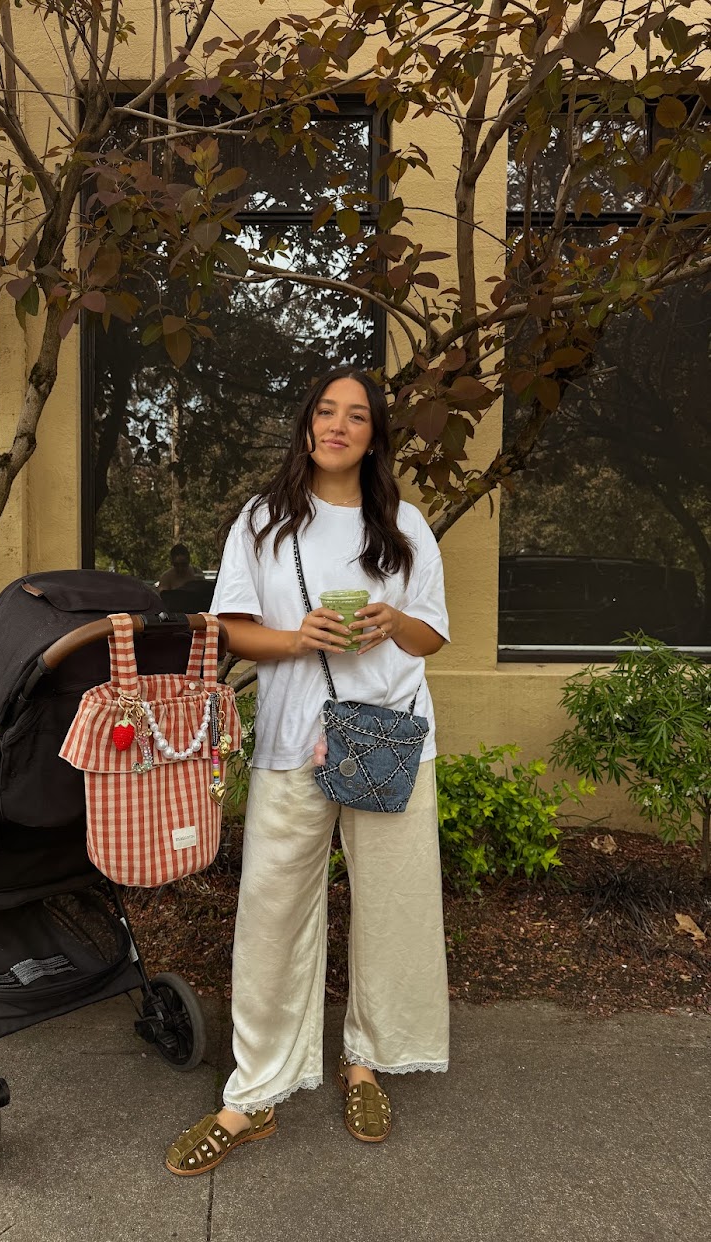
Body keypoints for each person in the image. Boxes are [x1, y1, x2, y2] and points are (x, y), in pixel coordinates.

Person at [165, 365, 450, 1176]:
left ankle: (366, 1062)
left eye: (357, 415)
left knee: (391, 911)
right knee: (271, 914)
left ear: (374, 435)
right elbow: (230, 629)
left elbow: (434, 637)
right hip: (297, 737)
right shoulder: (265, 522)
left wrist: (394, 621)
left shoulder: (405, 525)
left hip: (392, 738)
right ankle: (252, 1093)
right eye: (327, 411)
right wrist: (301, 640)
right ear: (307, 425)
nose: (339, 425)